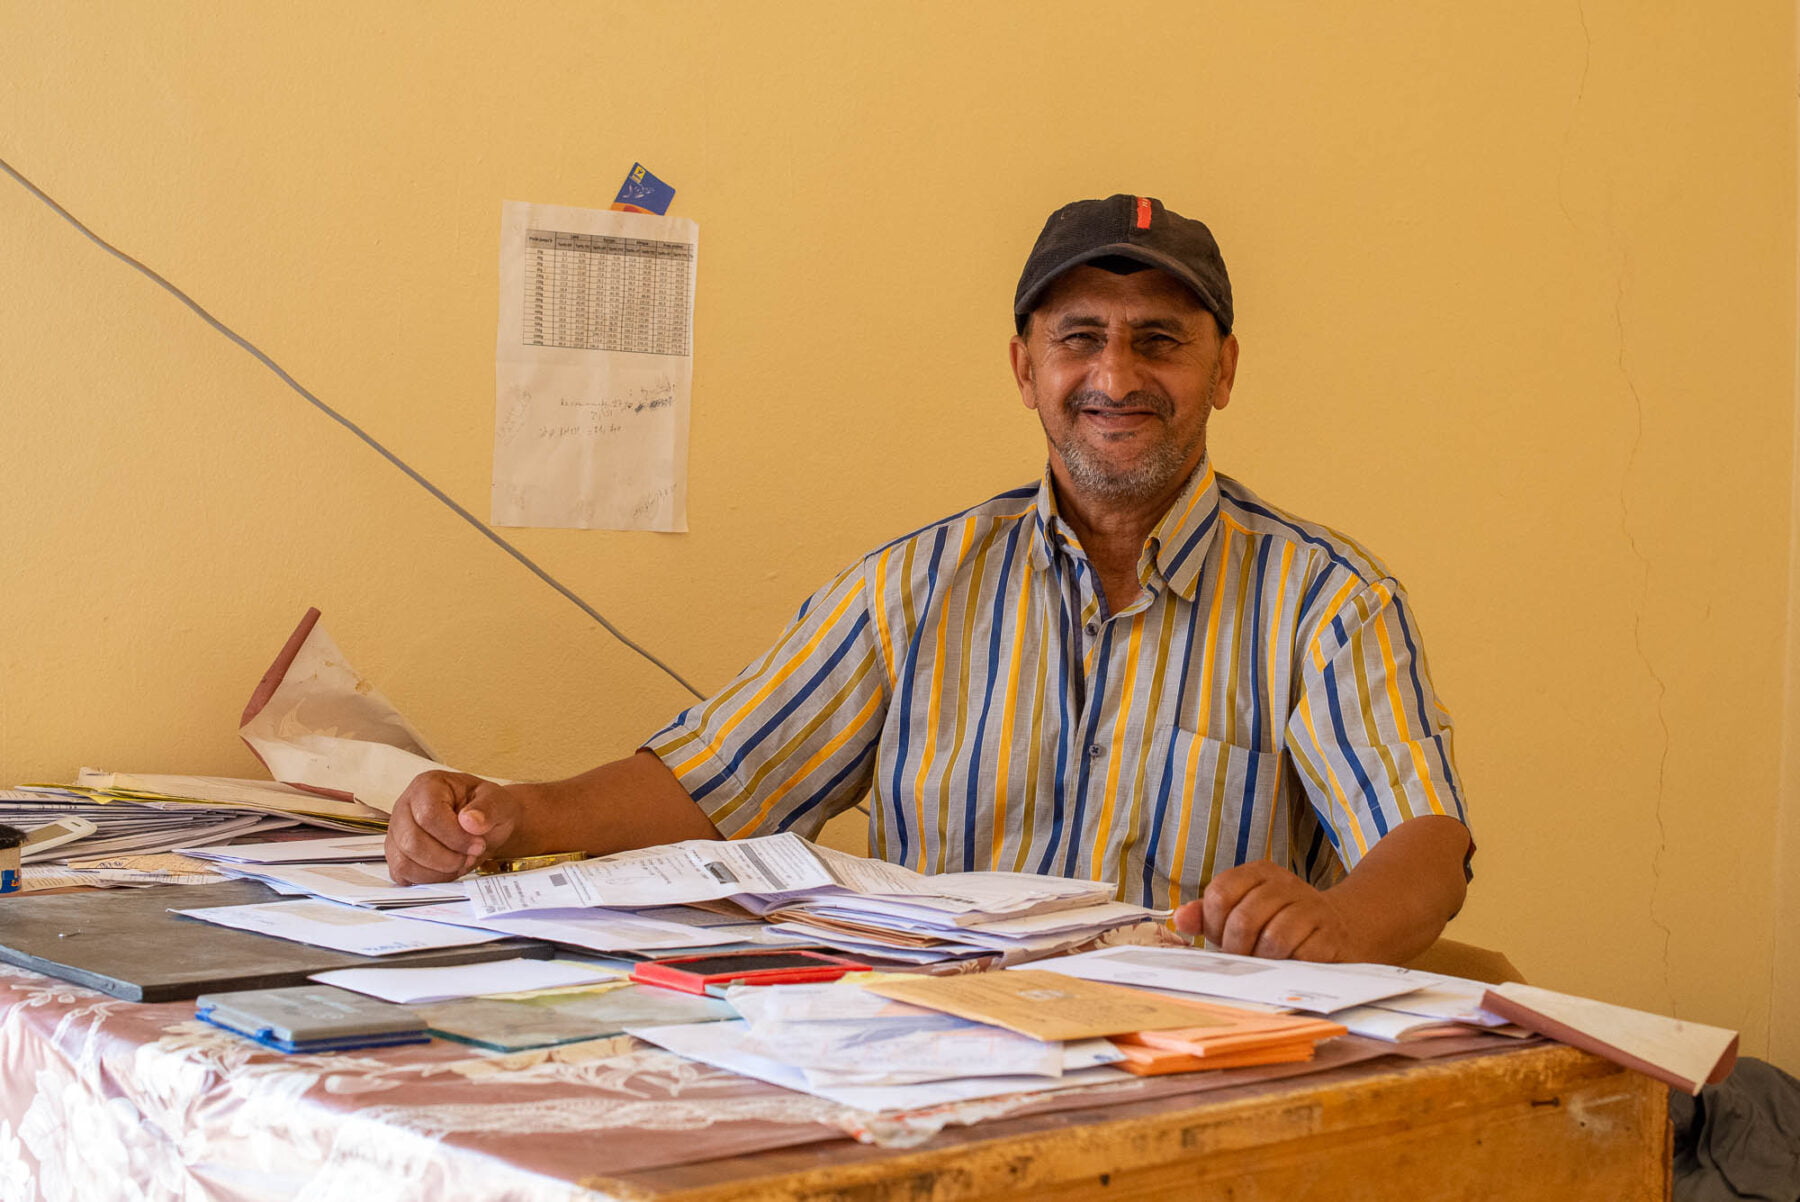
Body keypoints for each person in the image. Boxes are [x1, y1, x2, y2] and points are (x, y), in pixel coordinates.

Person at [387, 194, 1473, 965]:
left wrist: (1340, 924)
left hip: (1189, 1076)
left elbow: (1425, 841)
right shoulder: (915, 586)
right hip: (932, 1060)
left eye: (1161, 341)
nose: (1116, 375)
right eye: (1079, 337)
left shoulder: (1328, 601)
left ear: (1224, 368)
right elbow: (718, 780)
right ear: (1025, 368)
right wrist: (515, 815)